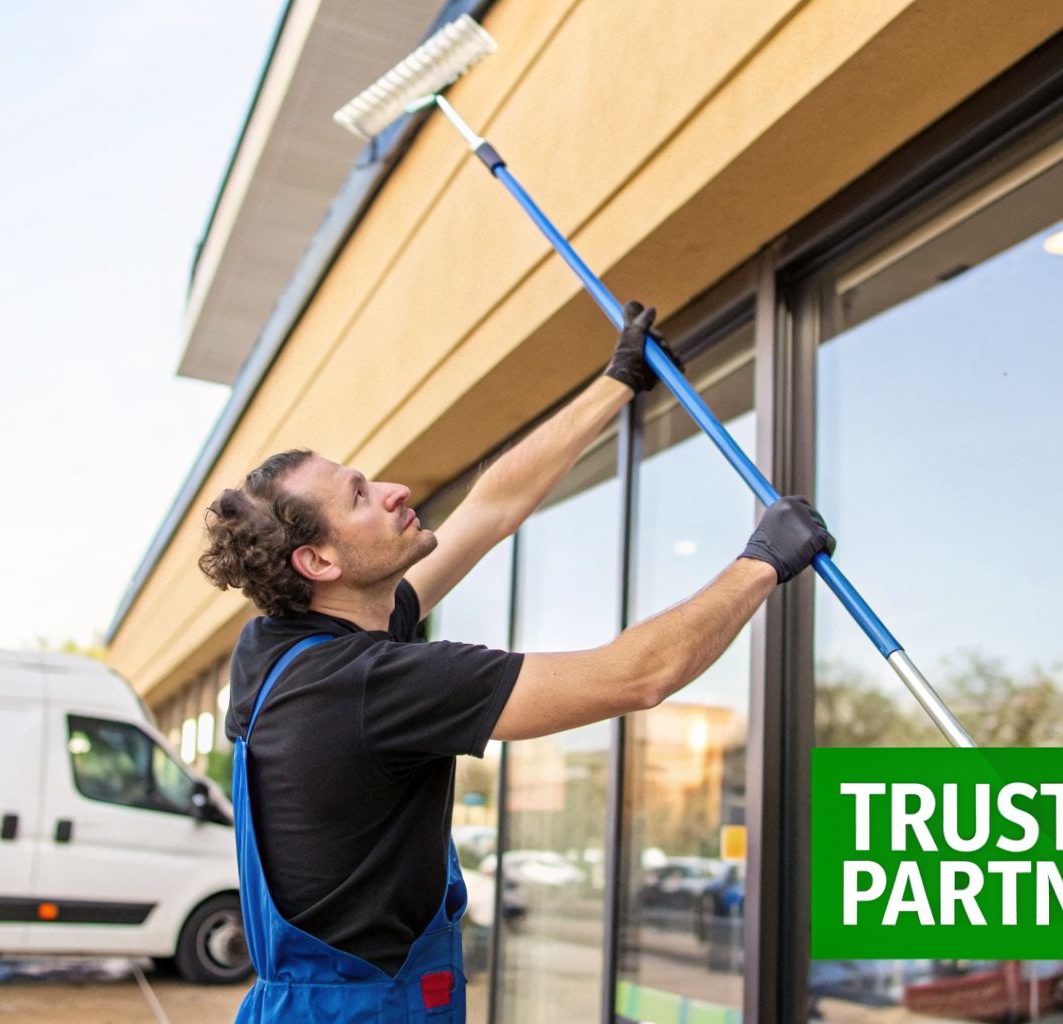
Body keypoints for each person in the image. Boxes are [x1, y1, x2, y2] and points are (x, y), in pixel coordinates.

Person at [198, 302, 834, 1022]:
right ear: (318, 560)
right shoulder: (369, 686)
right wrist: (763, 563)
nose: (394, 491)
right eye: (361, 498)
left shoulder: (285, 646)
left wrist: (618, 381)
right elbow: (637, 675)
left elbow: (490, 510)